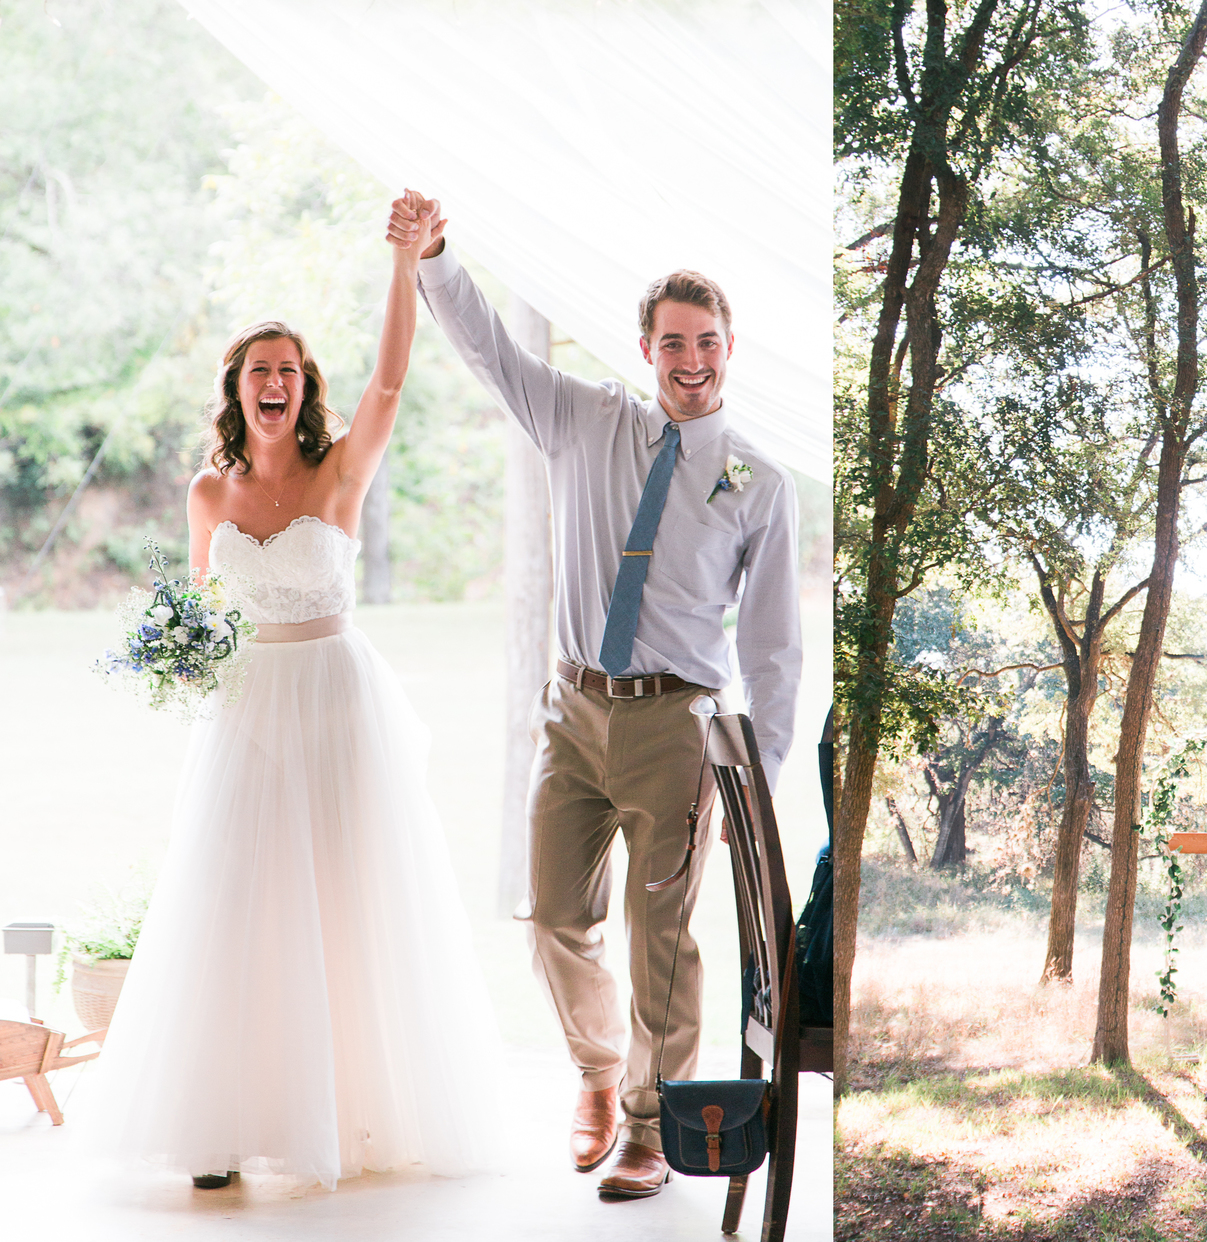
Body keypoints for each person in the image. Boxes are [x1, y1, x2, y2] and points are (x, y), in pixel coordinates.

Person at [79, 194, 505, 1191]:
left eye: (289, 369)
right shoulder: (207, 493)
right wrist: (179, 650)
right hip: (245, 712)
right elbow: (195, 607)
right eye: (257, 368)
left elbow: (394, 380)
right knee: (235, 903)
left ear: (304, 388)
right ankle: (219, 1133)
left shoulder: (339, 474)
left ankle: (357, 1117)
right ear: (236, 387)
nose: (274, 380)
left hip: (334, 700)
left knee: (348, 901)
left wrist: (407, 261)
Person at [406, 195, 803, 1200]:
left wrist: (757, 780)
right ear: (645, 345)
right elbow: (491, 351)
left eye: (708, 341)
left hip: (677, 725)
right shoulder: (581, 419)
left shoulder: (757, 479)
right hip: (572, 712)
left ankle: (649, 1128)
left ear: (728, 348)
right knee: (549, 914)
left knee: (660, 939)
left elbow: (771, 644)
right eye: (674, 342)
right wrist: (440, 256)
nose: (692, 359)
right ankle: (594, 1071)